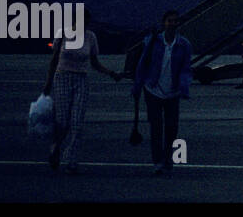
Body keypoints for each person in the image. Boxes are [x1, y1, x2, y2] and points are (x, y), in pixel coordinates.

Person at [43, 15, 120, 173]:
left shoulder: (90, 37)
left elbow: (94, 63)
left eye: (85, 22)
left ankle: (71, 158)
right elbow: (54, 59)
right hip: (62, 76)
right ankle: (56, 147)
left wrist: (110, 73)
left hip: (81, 79)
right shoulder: (62, 33)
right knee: (63, 120)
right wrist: (48, 83)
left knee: (77, 122)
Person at [131, 10, 193, 174]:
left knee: (172, 127)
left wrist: (184, 86)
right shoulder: (152, 41)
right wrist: (137, 86)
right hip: (153, 89)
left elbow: (186, 68)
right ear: (164, 23)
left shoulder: (184, 44)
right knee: (156, 127)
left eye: (175, 21)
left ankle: (168, 159)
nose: (173, 24)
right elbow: (143, 64)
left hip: (173, 92)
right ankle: (158, 161)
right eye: (170, 21)